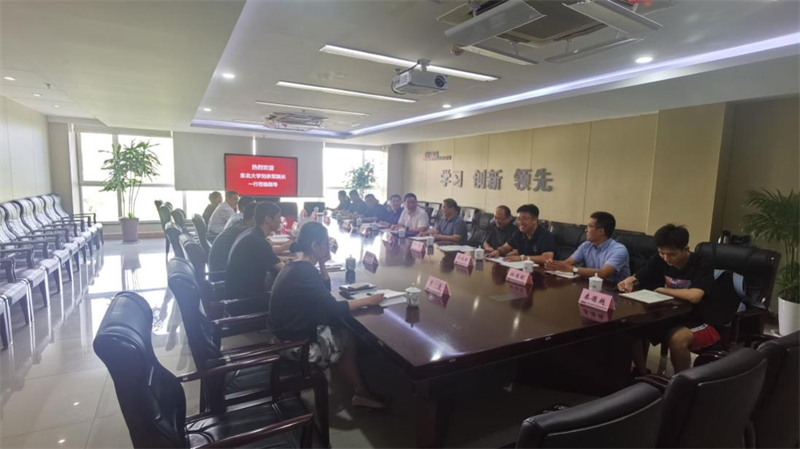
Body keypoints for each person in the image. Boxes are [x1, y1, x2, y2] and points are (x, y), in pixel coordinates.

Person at [269, 222, 387, 409]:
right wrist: (368, 300)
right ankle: (361, 392)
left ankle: (351, 381)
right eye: (326, 244)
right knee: (349, 336)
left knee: (340, 328)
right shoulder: (305, 272)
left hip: (283, 336)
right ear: (314, 246)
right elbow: (334, 307)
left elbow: (325, 289)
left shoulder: (296, 265)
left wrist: (322, 263)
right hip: (295, 345)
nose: (329, 247)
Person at [618, 224, 716, 374]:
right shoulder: (659, 258)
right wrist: (628, 281)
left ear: (685, 249)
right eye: (662, 253)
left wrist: (662, 290)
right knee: (632, 330)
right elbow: (640, 275)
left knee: (677, 340)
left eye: (672, 254)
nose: (666, 258)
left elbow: (695, 296)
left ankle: (682, 381)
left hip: (696, 317)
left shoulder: (702, 262)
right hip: (667, 314)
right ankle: (642, 373)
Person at [544, 212, 630, 283]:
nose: (585, 230)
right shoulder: (586, 245)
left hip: (614, 291)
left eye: (589, 226)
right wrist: (553, 264)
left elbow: (603, 273)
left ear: (601, 231)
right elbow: (567, 263)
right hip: (591, 287)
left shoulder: (619, 250)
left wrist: (572, 269)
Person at [225, 202, 284, 302]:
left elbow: (271, 258)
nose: (280, 221)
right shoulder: (257, 241)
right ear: (268, 219)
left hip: (237, 293)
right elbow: (284, 270)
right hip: (245, 301)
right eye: (278, 217)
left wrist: (293, 259)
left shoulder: (250, 234)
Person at [490, 204, 555, 264]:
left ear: (535, 220)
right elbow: (505, 247)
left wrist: (521, 258)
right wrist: (498, 251)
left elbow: (547, 258)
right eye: (518, 219)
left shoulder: (545, 235)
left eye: (524, 219)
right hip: (523, 268)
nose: (520, 222)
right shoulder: (519, 232)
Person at [208, 201, 256, 276]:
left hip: (220, 270)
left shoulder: (239, 224)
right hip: (223, 275)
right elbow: (263, 247)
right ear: (255, 218)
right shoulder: (244, 230)